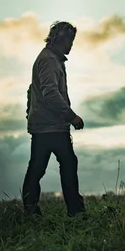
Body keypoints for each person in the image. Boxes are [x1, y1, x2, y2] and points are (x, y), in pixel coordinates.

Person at [22, 20, 86, 218]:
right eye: (70, 40)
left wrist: (31, 115)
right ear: (60, 39)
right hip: (52, 126)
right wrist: (71, 116)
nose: (72, 45)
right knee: (64, 165)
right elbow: (50, 93)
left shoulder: (51, 59)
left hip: (46, 125)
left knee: (39, 168)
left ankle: (32, 211)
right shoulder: (49, 60)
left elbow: (32, 90)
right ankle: (75, 212)